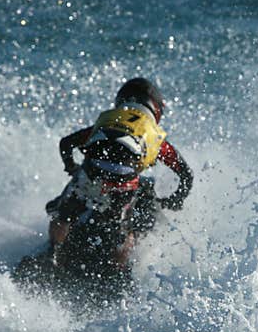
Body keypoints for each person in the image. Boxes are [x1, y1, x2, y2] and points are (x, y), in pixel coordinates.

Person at [45, 77, 194, 269]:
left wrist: (71, 167)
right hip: (124, 180)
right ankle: (118, 268)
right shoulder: (155, 137)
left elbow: (66, 143)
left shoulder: (109, 120)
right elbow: (186, 174)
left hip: (92, 171)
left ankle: (53, 251)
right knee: (126, 229)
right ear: (156, 109)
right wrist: (176, 199)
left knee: (65, 212)